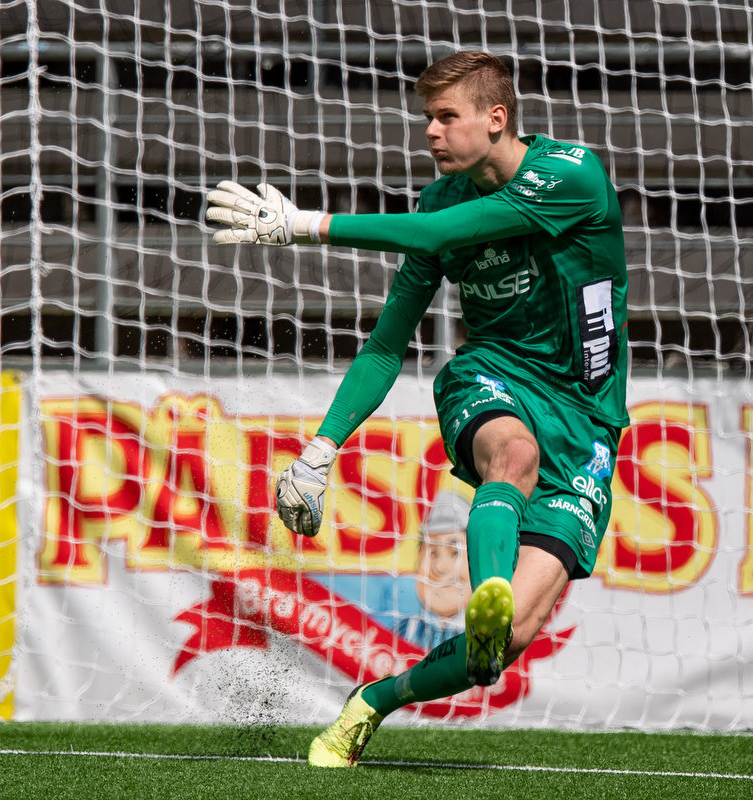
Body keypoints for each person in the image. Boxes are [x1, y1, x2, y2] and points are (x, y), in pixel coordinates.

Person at [206, 50, 630, 768]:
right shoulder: (439, 202)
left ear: (496, 119)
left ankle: (372, 701)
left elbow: (434, 236)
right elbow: (384, 348)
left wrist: (306, 224)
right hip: (492, 377)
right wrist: (321, 448)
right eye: (426, 118)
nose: (430, 132)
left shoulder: (571, 175)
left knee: (499, 650)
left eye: (445, 117)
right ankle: (488, 588)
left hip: (587, 421)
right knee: (513, 455)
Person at [400, 489, 472, 651]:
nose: (440, 567)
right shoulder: (406, 631)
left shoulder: (487, 634)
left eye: (455, 553)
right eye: (432, 553)